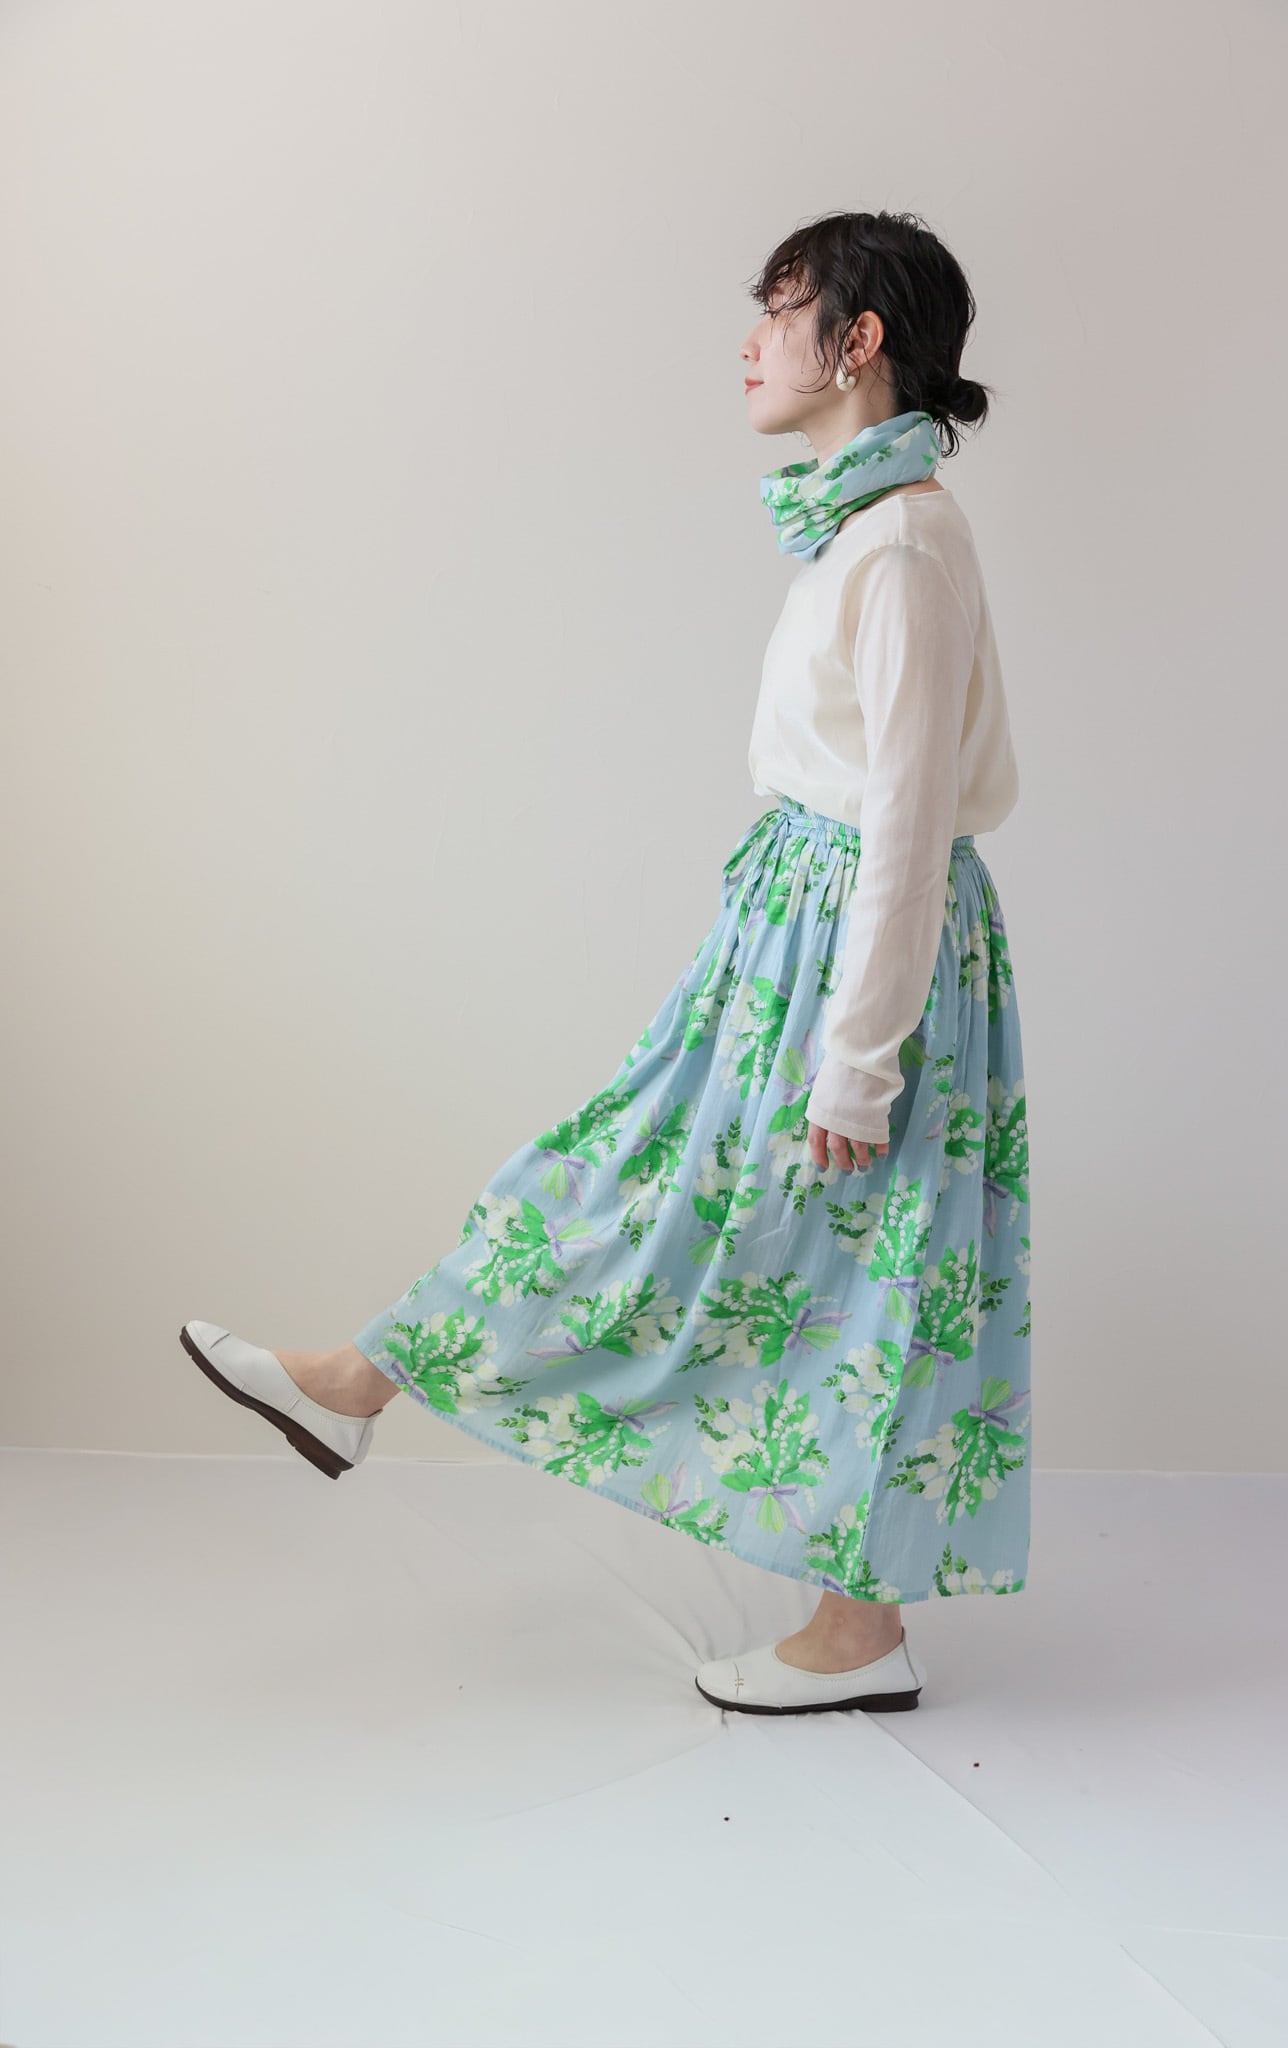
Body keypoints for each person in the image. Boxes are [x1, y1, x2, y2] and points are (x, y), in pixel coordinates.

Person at [181, 208, 1031, 1718]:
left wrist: (860, 1058)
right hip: (799, 929)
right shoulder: (866, 526)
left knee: (811, 1246)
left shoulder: (901, 542)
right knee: (679, 1195)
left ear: (857, 343)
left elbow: (905, 822)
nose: (749, 342)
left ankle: (849, 1629)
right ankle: (370, 1379)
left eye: (780, 310)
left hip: (852, 945)